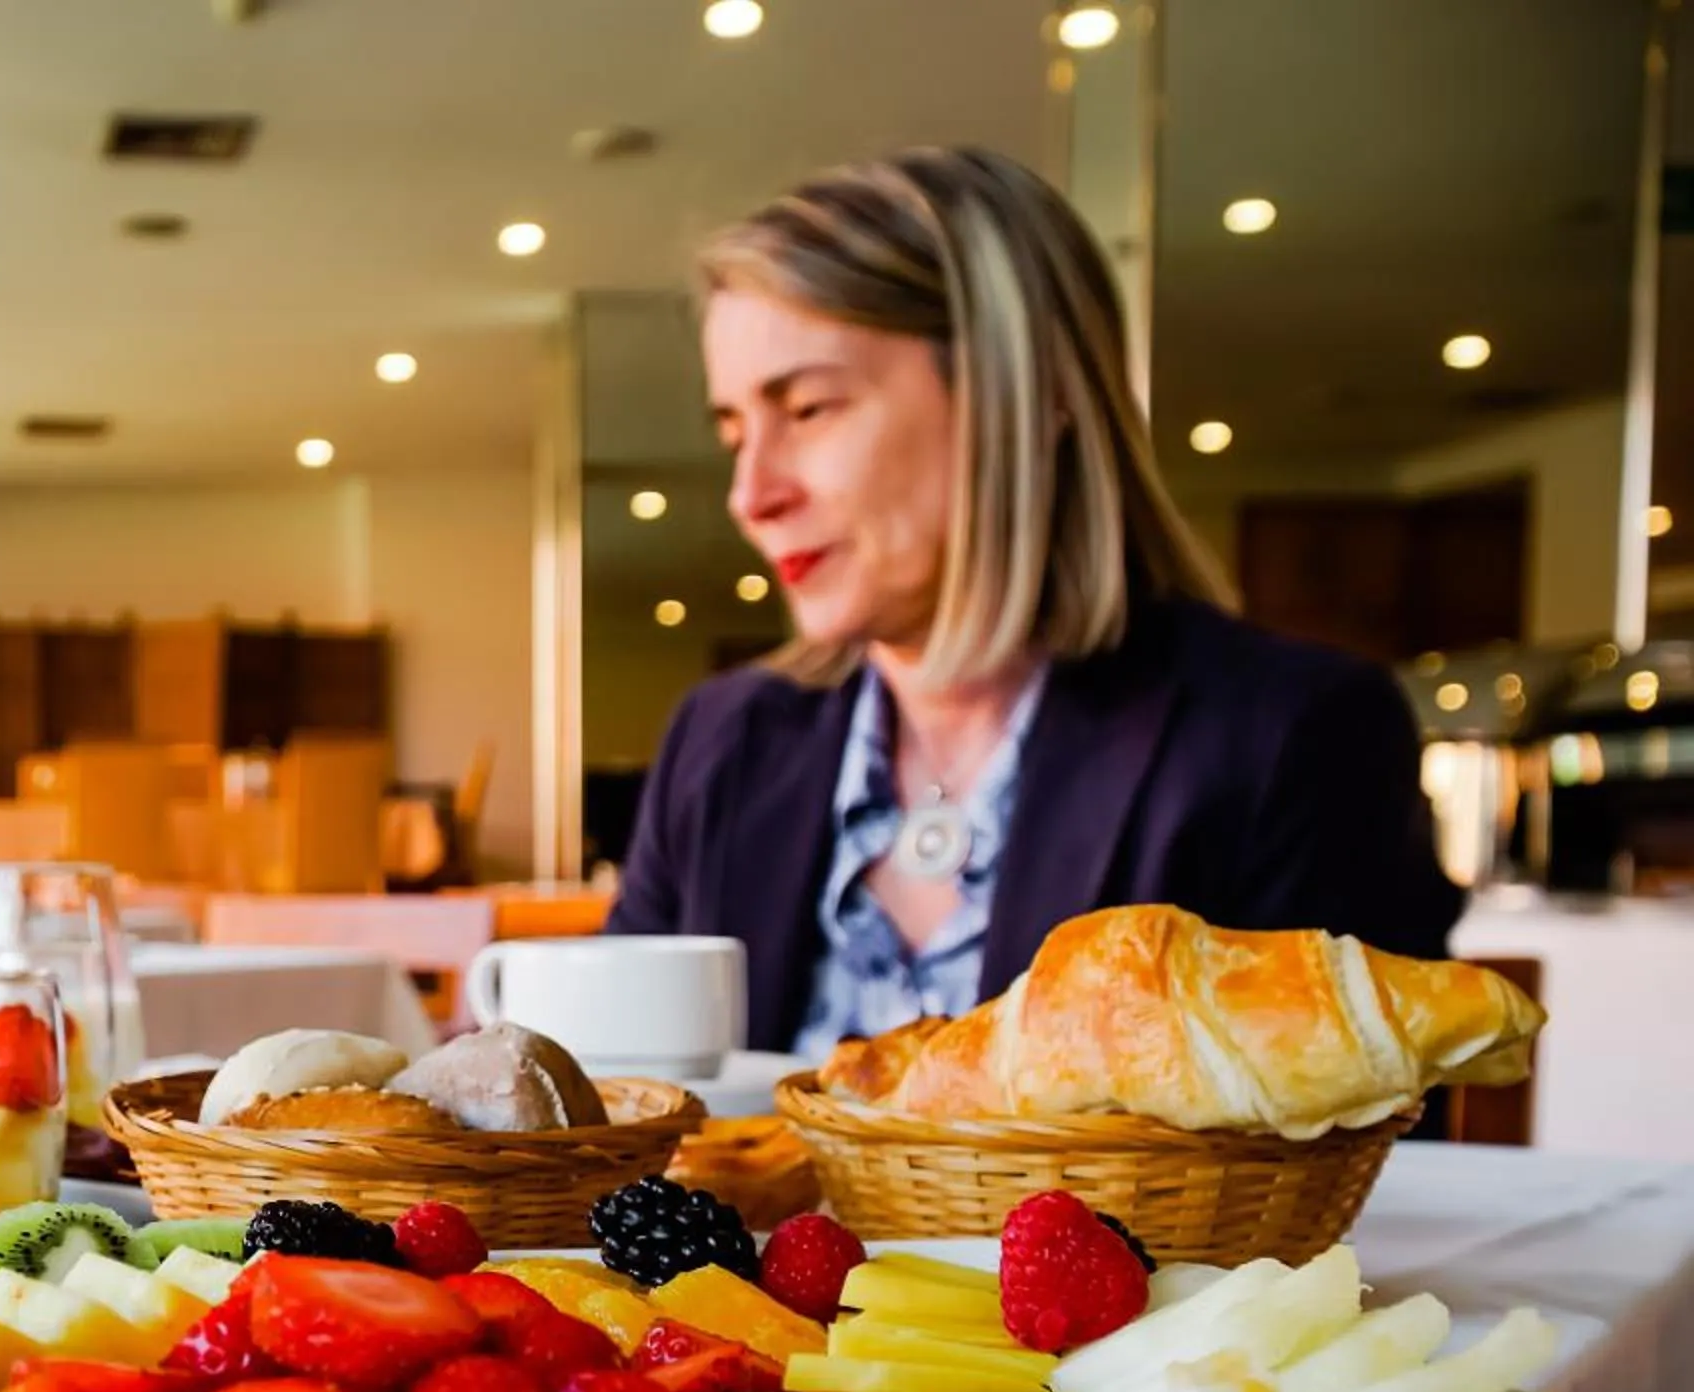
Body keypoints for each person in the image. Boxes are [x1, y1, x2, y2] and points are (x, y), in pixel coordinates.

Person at [605, 145, 1463, 1056]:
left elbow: (1347, 1165)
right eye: (735, 432)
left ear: (1028, 394)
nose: (751, 494)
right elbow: (607, 1116)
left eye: (810, 409)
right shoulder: (724, 742)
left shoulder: (1287, 740)